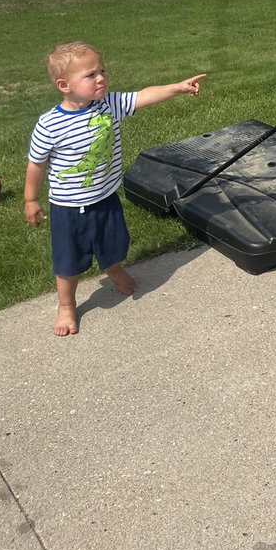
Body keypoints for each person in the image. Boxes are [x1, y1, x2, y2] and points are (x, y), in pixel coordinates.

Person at [24, 42, 206, 337]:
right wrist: (31, 199)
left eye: (102, 71)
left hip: (106, 197)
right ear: (64, 85)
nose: (101, 78)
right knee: (68, 261)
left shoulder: (109, 105)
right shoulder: (49, 125)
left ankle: (113, 269)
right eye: (90, 74)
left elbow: (144, 95)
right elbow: (36, 164)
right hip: (69, 209)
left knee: (114, 244)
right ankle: (67, 305)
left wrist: (177, 87)